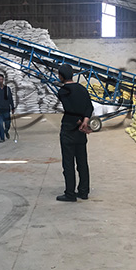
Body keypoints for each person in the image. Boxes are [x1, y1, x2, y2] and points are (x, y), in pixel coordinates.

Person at [56, 64, 94, 202]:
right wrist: (85, 121)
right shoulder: (82, 89)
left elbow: (69, 110)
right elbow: (89, 107)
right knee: (82, 162)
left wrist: (79, 123)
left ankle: (70, 193)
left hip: (69, 130)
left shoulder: (63, 91)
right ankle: (83, 191)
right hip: (80, 132)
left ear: (61, 76)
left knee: (68, 163)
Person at [0, 73, 15, 143]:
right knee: (0, 125)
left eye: (1, 79)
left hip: (6, 109)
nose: (0, 81)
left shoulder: (7, 89)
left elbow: (10, 99)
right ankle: (2, 138)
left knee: (8, 123)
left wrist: (12, 107)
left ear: (3, 80)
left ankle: (6, 131)